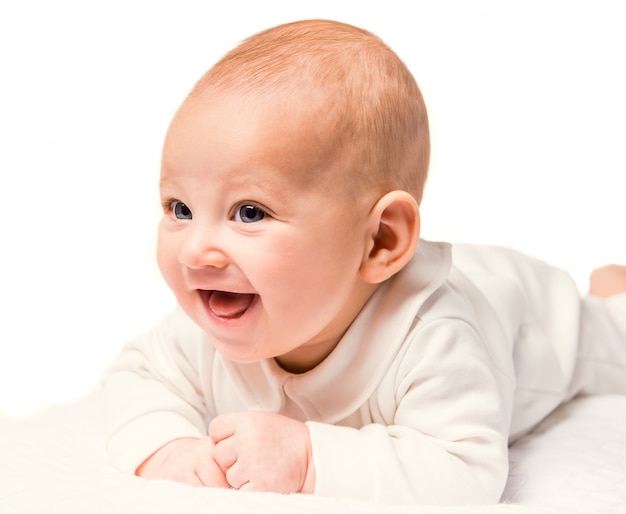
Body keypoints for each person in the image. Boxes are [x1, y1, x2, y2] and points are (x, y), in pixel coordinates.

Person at [103, 19, 626, 505]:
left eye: (249, 212)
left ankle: (610, 295)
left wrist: (309, 459)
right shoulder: (215, 319)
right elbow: (138, 375)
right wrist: (169, 448)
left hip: (536, 316)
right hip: (466, 276)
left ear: (378, 241)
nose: (196, 249)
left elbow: (466, 467)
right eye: (180, 208)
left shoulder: (435, 338)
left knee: (614, 335)